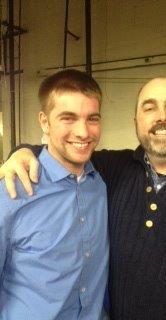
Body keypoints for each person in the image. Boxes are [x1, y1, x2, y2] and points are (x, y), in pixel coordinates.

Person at [1, 77, 166, 320]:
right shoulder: (114, 169)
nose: (161, 117)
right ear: (136, 123)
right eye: (149, 108)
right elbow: (65, 150)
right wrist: (22, 152)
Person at [0, 69, 109, 319]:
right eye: (68, 118)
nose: (83, 132)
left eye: (92, 118)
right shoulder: (11, 191)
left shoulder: (102, 183)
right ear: (45, 122)